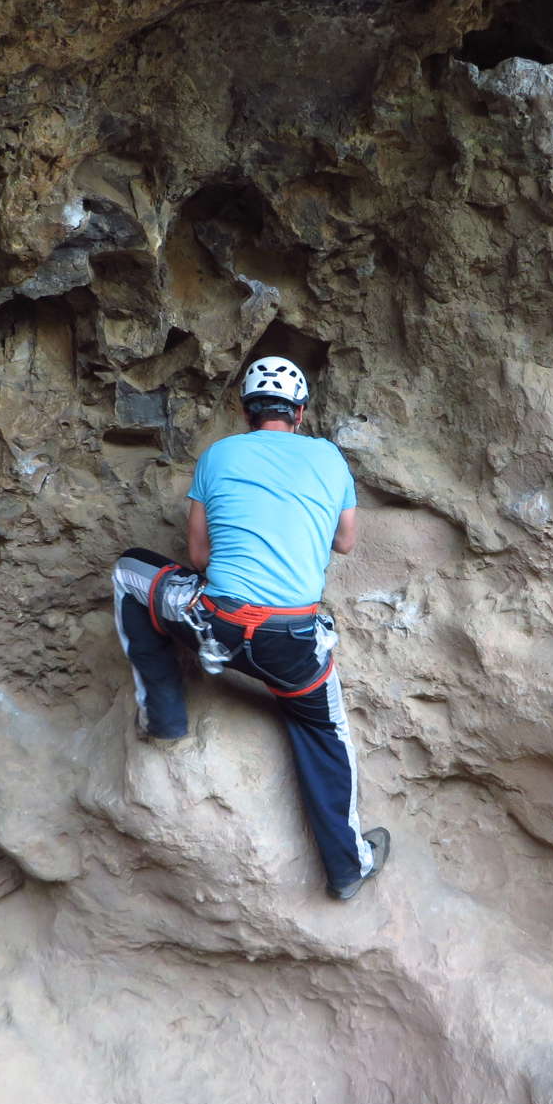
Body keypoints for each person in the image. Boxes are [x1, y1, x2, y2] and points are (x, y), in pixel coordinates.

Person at [111, 355, 390, 901]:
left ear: (246, 412)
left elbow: (198, 556)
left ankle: (164, 717)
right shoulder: (328, 458)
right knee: (325, 731)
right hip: (292, 646)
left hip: (216, 628)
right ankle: (347, 868)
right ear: (299, 414)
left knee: (128, 571)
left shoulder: (218, 454)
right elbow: (345, 542)